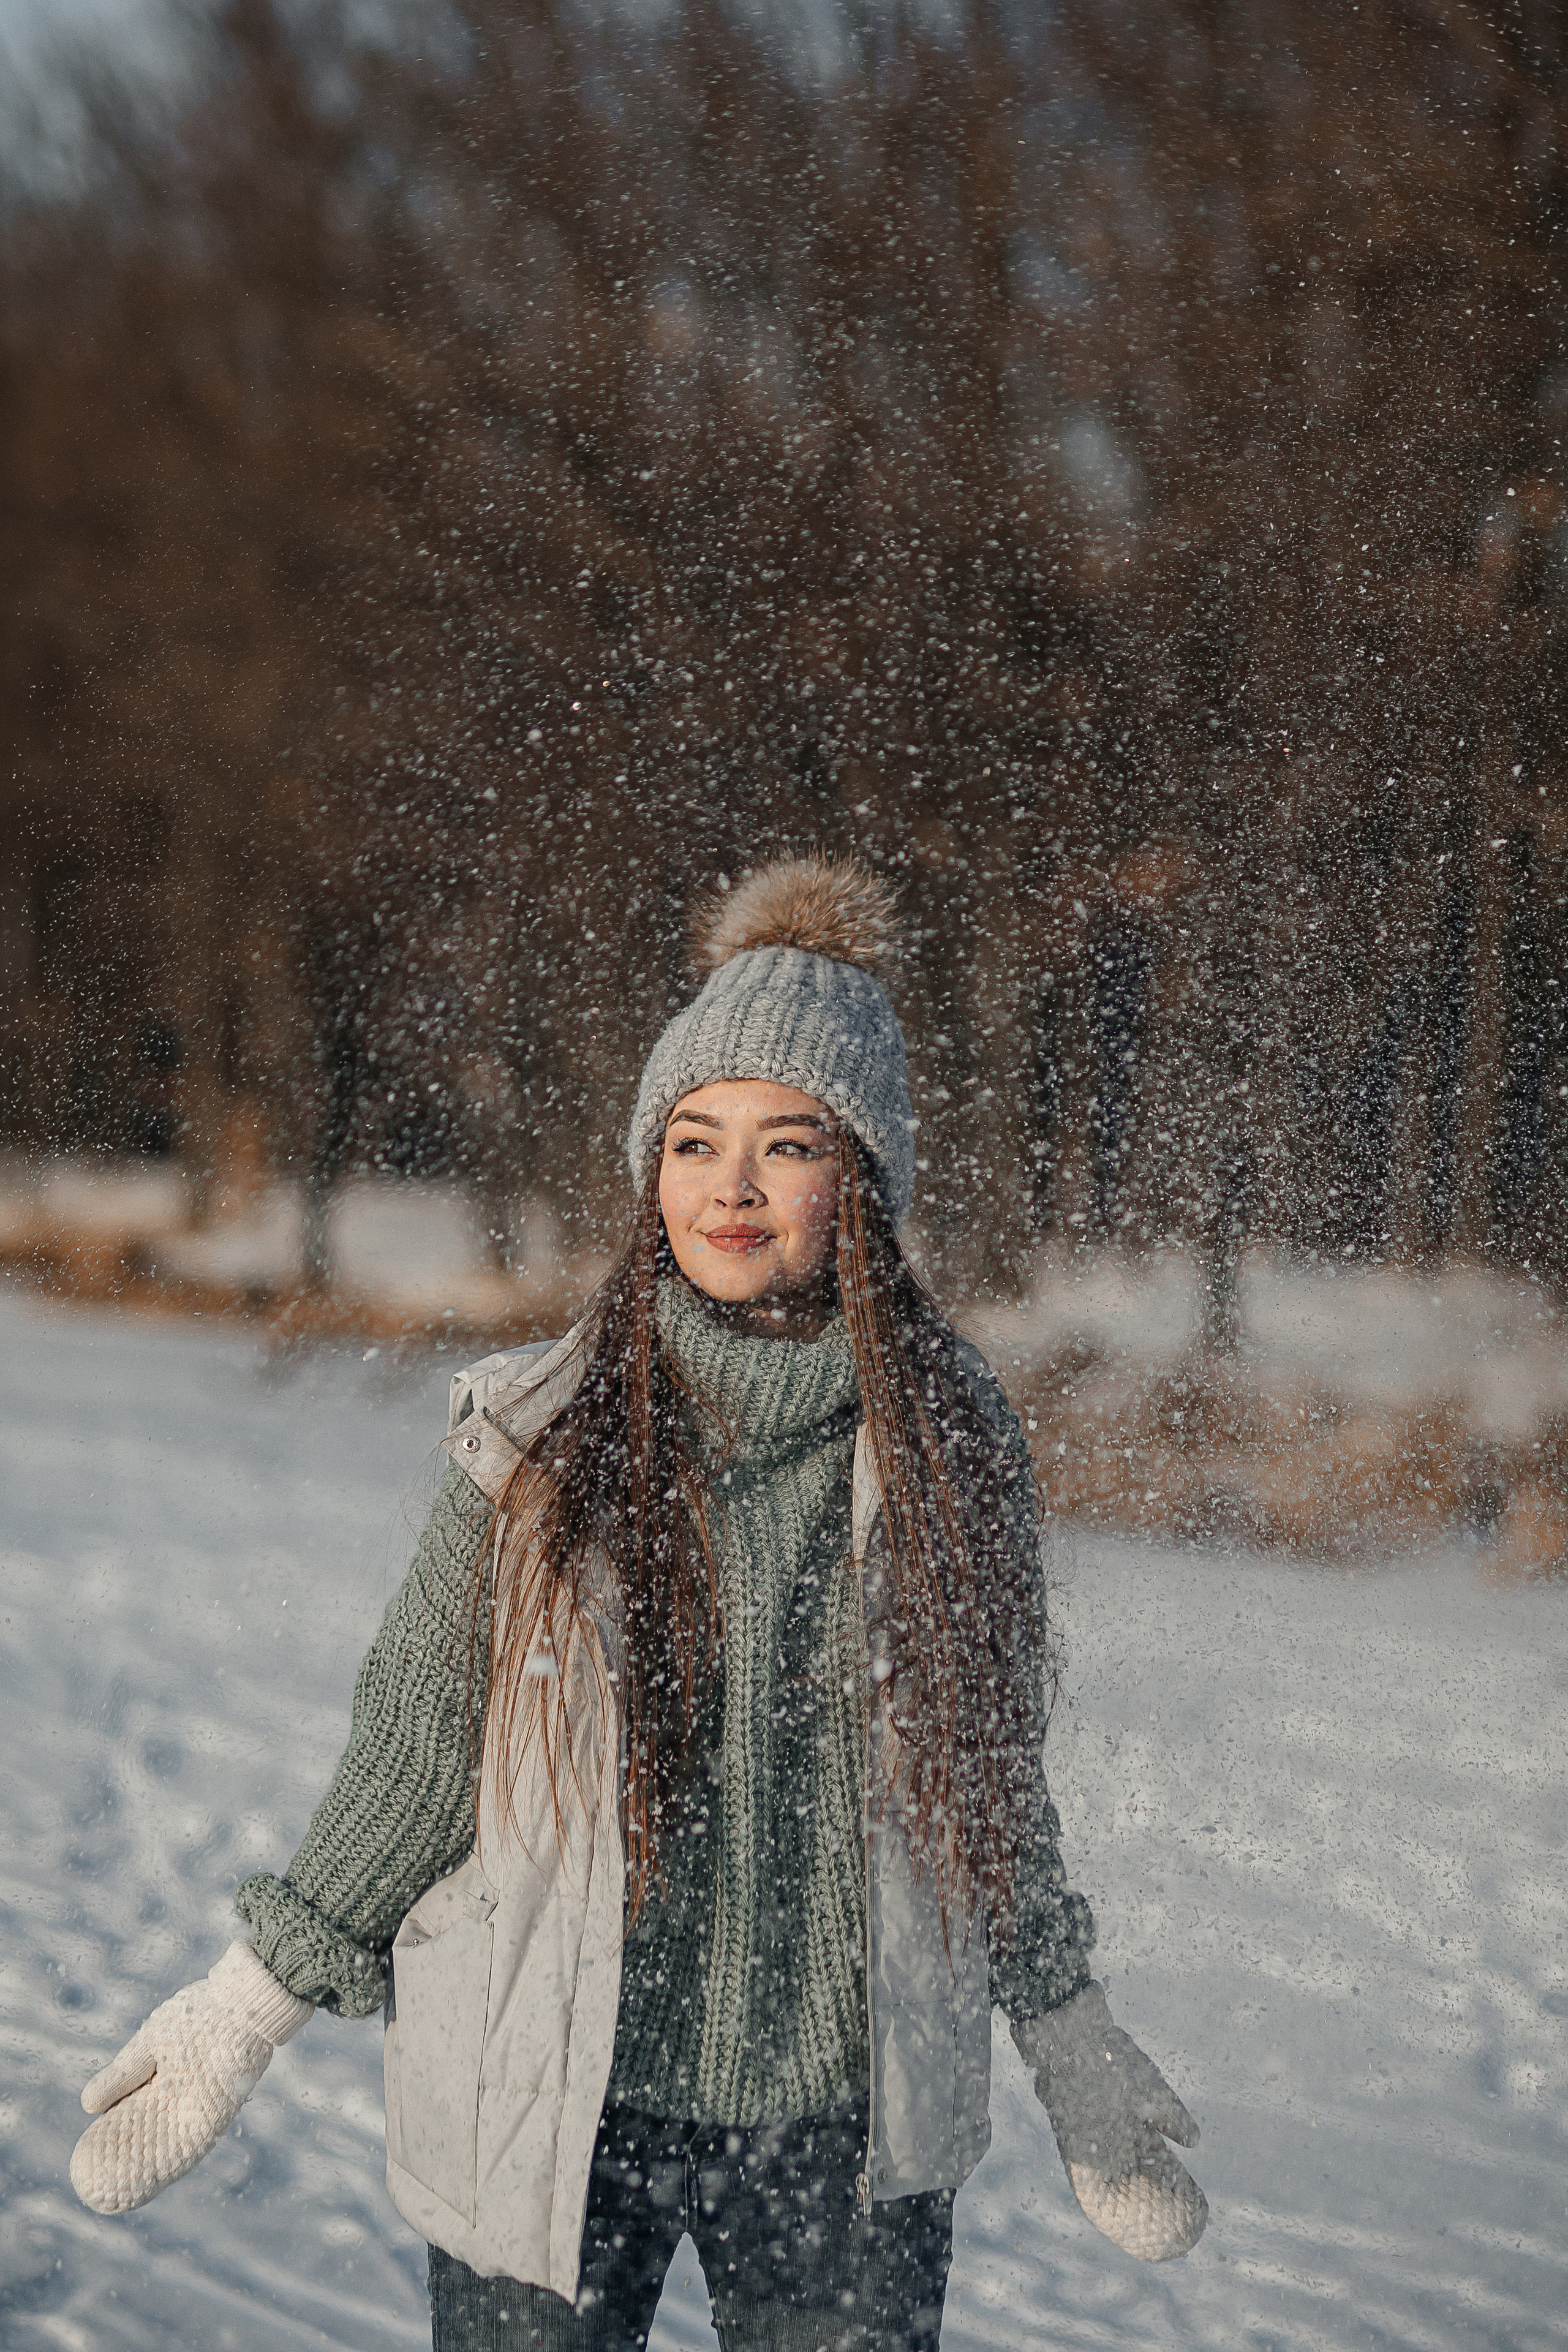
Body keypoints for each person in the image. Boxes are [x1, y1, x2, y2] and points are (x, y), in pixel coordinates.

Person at [69, 855, 1207, 2350]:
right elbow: (414, 1760)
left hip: (840, 2125)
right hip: (546, 2087)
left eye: (786, 1144)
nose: (728, 1187)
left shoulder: (949, 1449)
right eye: (692, 1141)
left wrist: (1066, 2033)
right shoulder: (534, 1441)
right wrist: (238, 2014)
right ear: (647, 1169)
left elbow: (981, 1779)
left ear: (860, 1178)